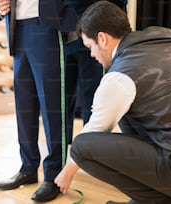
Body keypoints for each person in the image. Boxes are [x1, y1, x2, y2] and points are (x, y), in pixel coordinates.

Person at [54, 1, 171, 204]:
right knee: (129, 113)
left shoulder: (120, 76)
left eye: (90, 47)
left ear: (102, 38)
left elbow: (94, 130)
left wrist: (66, 173)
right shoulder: (167, 36)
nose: (92, 54)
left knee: (81, 147)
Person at [0, 0, 78, 202]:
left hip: (47, 24)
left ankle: (54, 174)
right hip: (16, 27)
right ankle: (28, 167)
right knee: (24, 106)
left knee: (52, 105)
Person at [64, 0, 127, 139]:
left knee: (92, 96)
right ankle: (66, 150)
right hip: (63, 30)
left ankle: (91, 145)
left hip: (96, 29)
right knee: (62, 97)